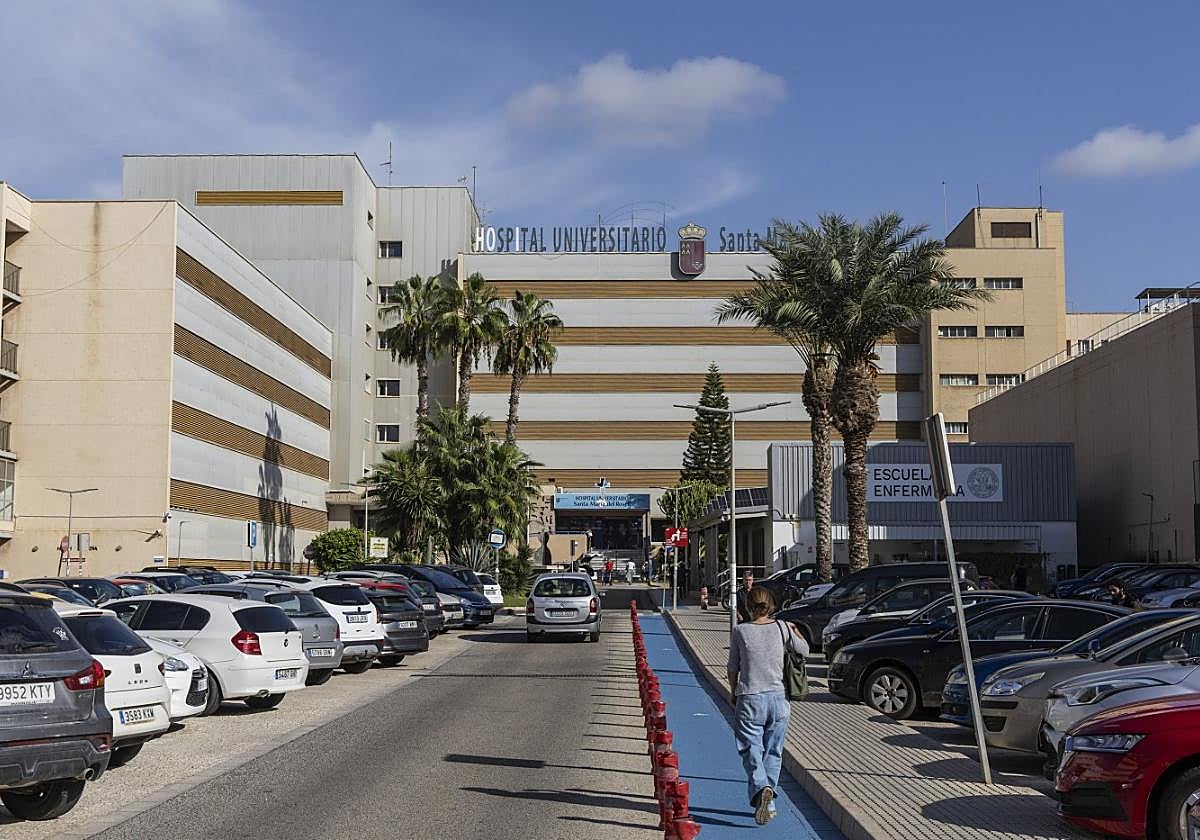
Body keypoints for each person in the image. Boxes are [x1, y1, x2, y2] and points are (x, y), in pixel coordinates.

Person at [727, 586, 809, 825]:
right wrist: (795, 630)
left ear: (748, 606)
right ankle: (769, 802)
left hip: (751, 698)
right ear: (771, 605)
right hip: (779, 698)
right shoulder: (783, 627)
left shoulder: (740, 631)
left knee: (750, 748)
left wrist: (733, 692)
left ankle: (762, 788)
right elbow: (803, 650)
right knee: (773, 750)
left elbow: (733, 668)